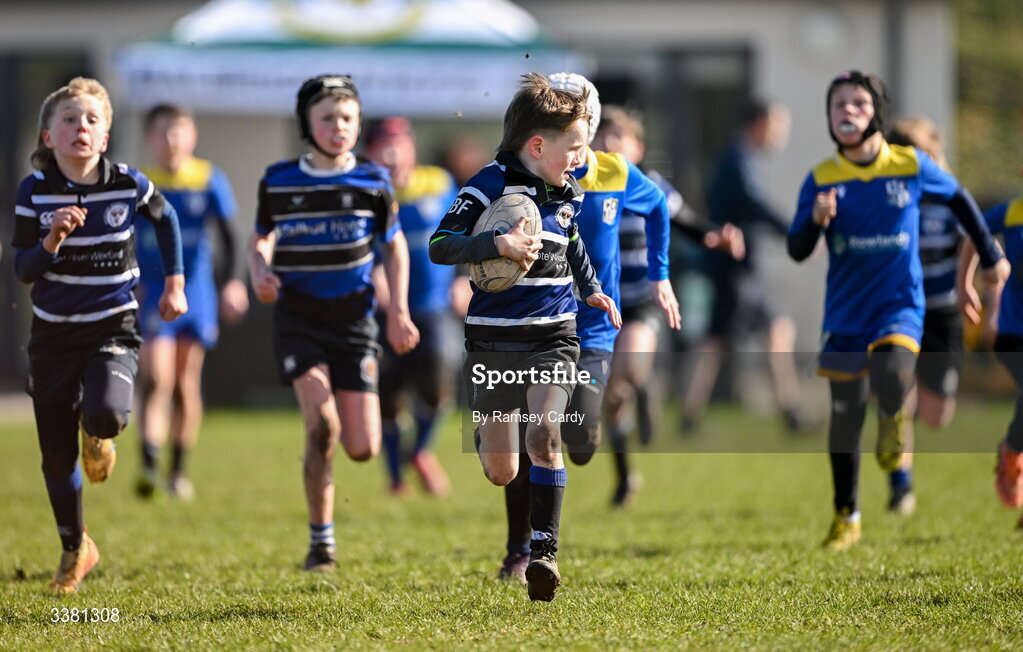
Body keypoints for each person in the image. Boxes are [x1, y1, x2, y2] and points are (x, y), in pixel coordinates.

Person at [787, 70, 1007, 551]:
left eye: (858, 104)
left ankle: (892, 419)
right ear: (828, 117)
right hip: (845, 314)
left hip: (900, 304)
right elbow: (797, 248)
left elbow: (961, 198)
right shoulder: (822, 178)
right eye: (838, 104)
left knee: (892, 373)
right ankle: (847, 516)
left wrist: (991, 256)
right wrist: (816, 221)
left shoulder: (908, 164)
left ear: (876, 116)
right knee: (843, 418)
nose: (846, 111)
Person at [429, 72, 621, 602]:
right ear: (538, 145)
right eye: (576, 147)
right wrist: (498, 243)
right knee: (500, 469)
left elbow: (575, 240)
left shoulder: (568, 191)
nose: (582, 157)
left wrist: (592, 290)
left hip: (554, 337)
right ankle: (491, 432)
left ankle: (544, 553)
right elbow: (440, 244)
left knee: (544, 437)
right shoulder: (487, 185)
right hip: (493, 341)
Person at [492, 76, 680, 583]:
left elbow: (661, 206)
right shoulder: (525, 176)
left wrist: (660, 275)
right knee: (532, 431)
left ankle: (595, 433)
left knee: (577, 437)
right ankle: (520, 549)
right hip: (536, 323)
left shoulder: (615, 171)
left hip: (594, 329)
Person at [11, 77, 187, 593]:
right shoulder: (34, 192)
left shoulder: (127, 183)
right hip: (53, 337)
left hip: (114, 325)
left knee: (108, 413)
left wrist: (175, 283)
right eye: (68, 120)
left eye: (91, 120)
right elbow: (24, 269)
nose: (79, 128)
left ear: (105, 136)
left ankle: (98, 431)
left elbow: (167, 216)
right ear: (49, 137)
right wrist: (52, 240)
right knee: (54, 457)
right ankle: (75, 548)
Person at [248, 75, 419, 572]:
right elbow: (260, 240)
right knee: (322, 425)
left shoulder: (374, 182)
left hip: (355, 320)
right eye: (327, 118)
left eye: (347, 117)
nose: (338, 126)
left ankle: (327, 468)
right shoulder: (278, 180)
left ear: (358, 122)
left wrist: (399, 311)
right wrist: (260, 272)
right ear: (308, 124)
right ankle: (321, 543)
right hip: (299, 319)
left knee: (362, 447)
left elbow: (395, 245)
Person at [593, 104, 744, 507]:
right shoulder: (585, 183)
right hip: (599, 304)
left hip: (641, 299)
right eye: (601, 135)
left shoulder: (649, 184)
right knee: (609, 398)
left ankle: (646, 389)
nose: (607, 143)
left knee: (629, 367)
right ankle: (625, 476)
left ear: (637, 148)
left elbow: (683, 219)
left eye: (617, 137)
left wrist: (715, 236)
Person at [135, 104, 248, 501]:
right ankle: (148, 463)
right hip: (153, 290)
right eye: (163, 131)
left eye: (178, 131)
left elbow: (230, 237)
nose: (171, 139)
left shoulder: (208, 178)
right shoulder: (142, 182)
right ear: (150, 138)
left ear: (192, 136)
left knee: (185, 383)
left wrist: (232, 283)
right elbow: (123, 238)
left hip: (197, 293)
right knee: (155, 377)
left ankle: (177, 472)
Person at [685, 99, 805, 433]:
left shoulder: (742, 158)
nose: (782, 133)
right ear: (760, 123)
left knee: (727, 337)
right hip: (734, 271)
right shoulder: (738, 160)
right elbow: (755, 204)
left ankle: (690, 416)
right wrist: (794, 232)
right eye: (778, 124)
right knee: (764, 330)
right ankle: (790, 412)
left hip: (736, 270)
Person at [363, 117, 461, 496]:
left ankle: (418, 452)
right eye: (384, 146)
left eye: (399, 143)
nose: (393, 153)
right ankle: (395, 478)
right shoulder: (365, 192)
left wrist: (461, 279)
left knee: (440, 377)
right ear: (370, 153)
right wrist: (373, 272)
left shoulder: (439, 182)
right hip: (382, 310)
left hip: (433, 305)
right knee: (387, 392)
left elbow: (463, 232)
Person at [881, 117, 964, 515]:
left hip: (944, 311)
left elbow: (976, 242)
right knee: (902, 397)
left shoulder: (951, 201)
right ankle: (901, 486)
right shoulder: (894, 202)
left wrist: (974, 287)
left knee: (936, 415)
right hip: (901, 310)